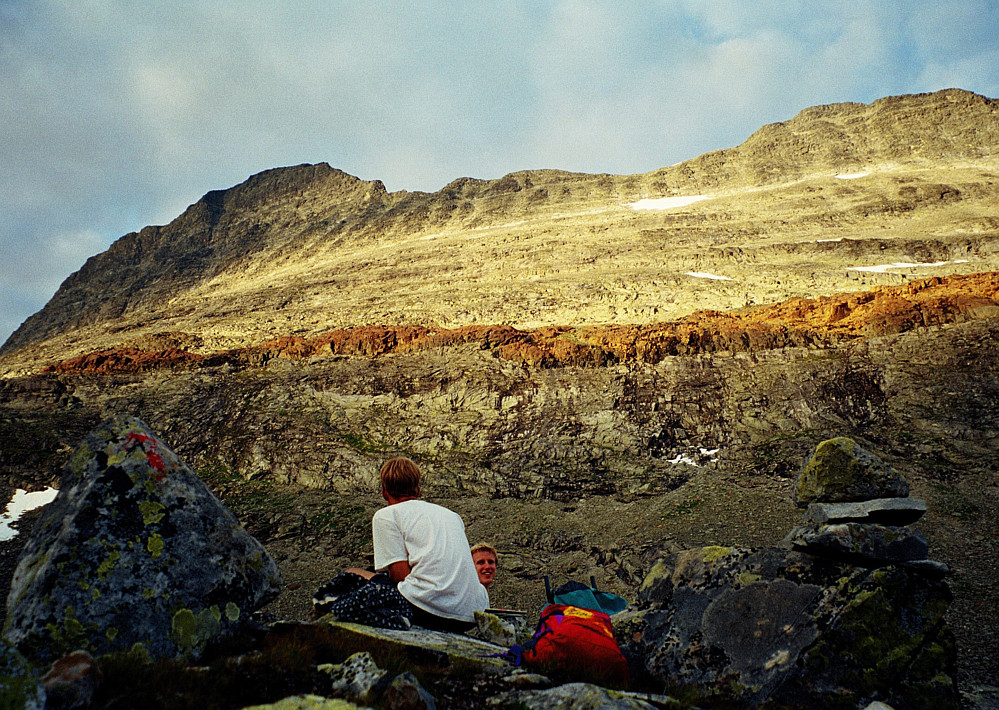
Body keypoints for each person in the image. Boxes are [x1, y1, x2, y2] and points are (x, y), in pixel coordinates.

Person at [371, 457, 488, 632]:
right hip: (472, 613)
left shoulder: (386, 515)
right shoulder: (452, 515)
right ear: (418, 491)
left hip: (429, 610)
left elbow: (399, 576)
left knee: (356, 579)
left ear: (384, 493)